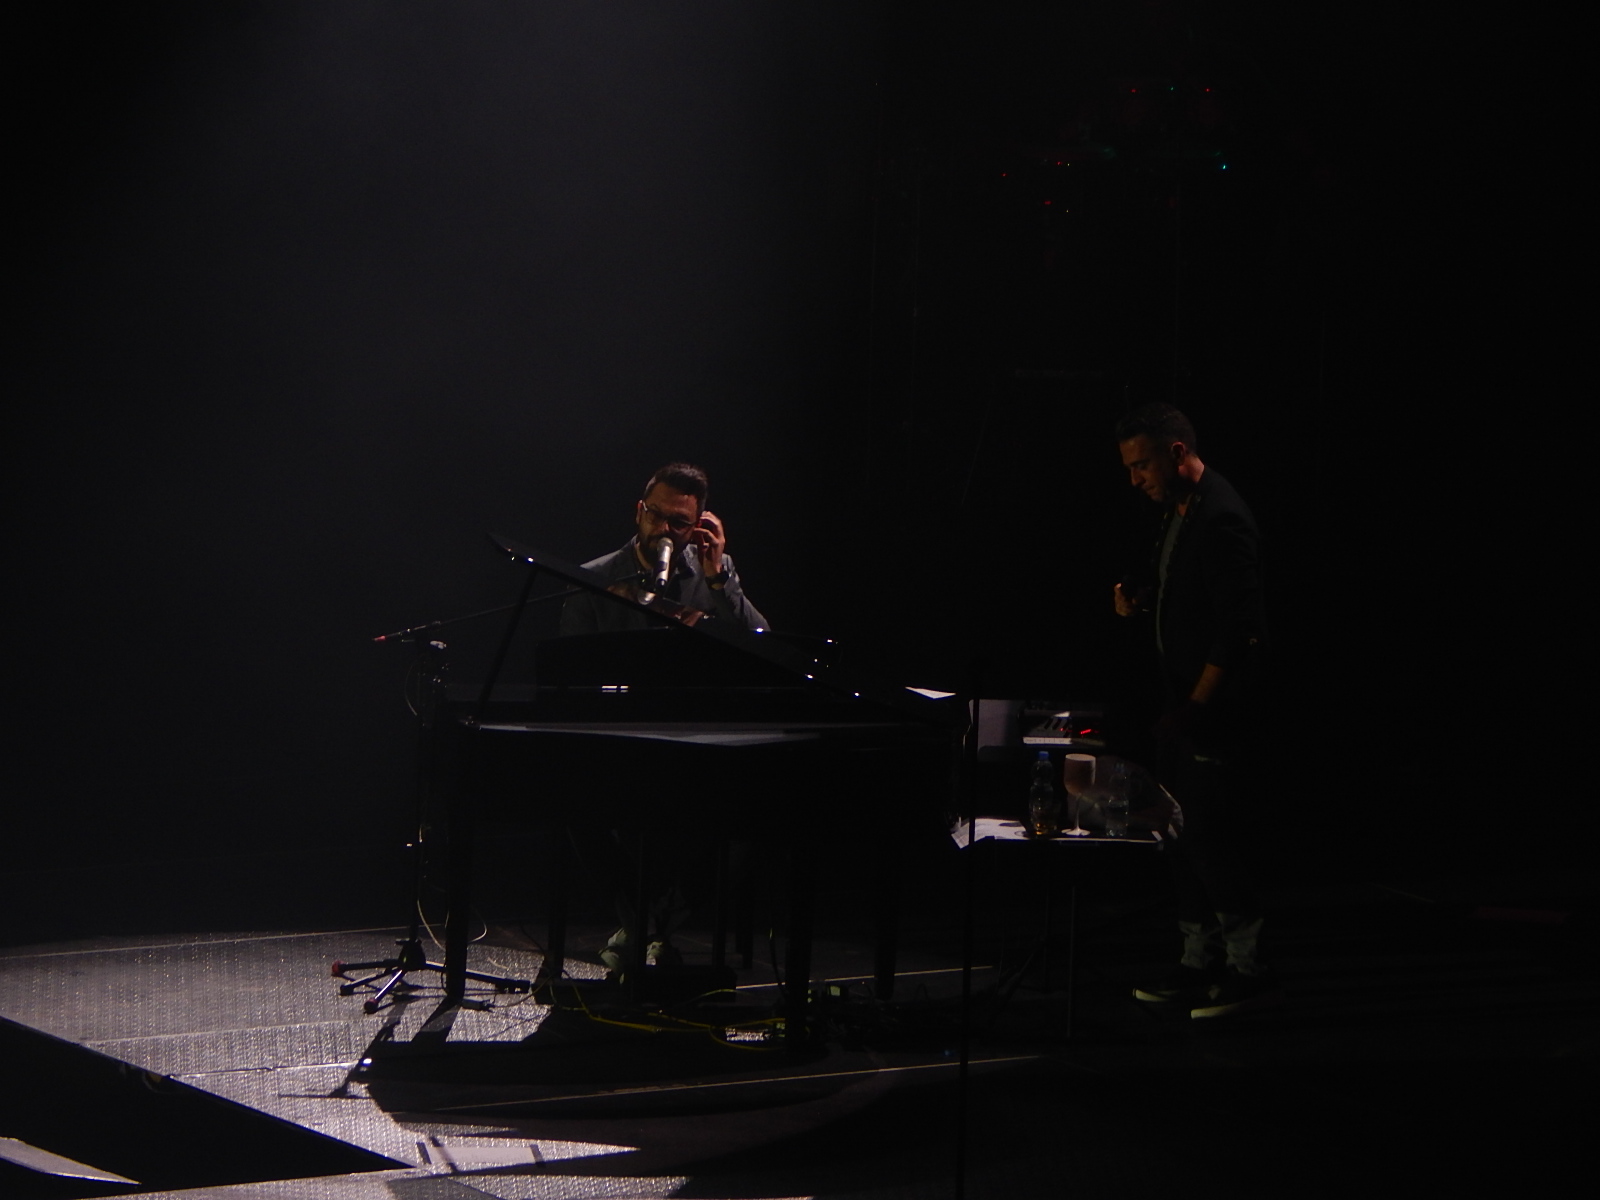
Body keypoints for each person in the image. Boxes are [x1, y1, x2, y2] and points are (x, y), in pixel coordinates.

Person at [1112, 403, 1281, 1018]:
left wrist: (1195, 707)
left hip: (1213, 713)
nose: (1136, 479)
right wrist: (1142, 598)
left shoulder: (1221, 517)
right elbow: (1191, 592)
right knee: (1178, 834)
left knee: (1210, 838)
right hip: (1180, 706)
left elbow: (1239, 631)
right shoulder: (1178, 510)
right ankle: (1197, 959)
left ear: (1177, 452)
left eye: (1142, 465)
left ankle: (1248, 968)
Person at [560, 462, 769, 636]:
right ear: (640, 512)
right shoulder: (592, 577)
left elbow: (760, 639)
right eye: (655, 514)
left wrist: (716, 579)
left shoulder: (716, 569)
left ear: (697, 526)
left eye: (678, 522)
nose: (663, 529)